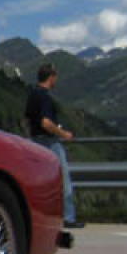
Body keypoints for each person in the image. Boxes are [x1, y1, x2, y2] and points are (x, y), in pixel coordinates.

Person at [25, 62, 82, 228]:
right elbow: (46, 122)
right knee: (63, 180)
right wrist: (63, 134)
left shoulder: (32, 94)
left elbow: (29, 118)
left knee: (39, 181)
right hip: (49, 142)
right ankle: (68, 217)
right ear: (51, 78)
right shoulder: (45, 97)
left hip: (35, 141)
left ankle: (38, 217)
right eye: (55, 77)